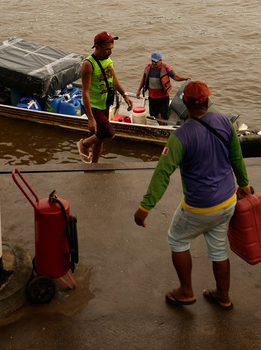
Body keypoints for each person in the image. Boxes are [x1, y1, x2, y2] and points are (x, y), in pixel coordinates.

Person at [134, 81, 250, 310]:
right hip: (228, 201)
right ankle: (223, 296)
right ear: (207, 101)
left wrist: (145, 207)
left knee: (177, 239)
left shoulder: (180, 137)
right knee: (218, 249)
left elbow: (162, 174)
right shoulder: (224, 122)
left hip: (199, 207)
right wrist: (244, 185)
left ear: (185, 103)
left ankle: (186, 291)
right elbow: (236, 158)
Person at [77, 31, 133, 163]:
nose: (110, 52)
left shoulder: (108, 59)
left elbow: (113, 78)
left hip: (104, 103)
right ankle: (84, 144)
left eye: (111, 49)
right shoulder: (88, 65)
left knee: (100, 138)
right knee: (109, 134)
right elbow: (85, 92)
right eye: (107, 49)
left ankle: (94, 164)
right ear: (97, 47)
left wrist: (124, 95)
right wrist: (90, 118)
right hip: (93, 105)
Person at [136, 51, 190, 121]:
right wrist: (139, 90)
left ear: (160, 60)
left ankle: (163, 125)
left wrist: (184, 78)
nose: (154, 63)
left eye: (156, 61)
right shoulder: (148, 68)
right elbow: (143, 79)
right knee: (154, 114)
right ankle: (162, 124)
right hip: (152, 97)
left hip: (163, 97)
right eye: (152, 61)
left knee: (164, 116)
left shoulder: (166, 68)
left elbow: (175, 77)